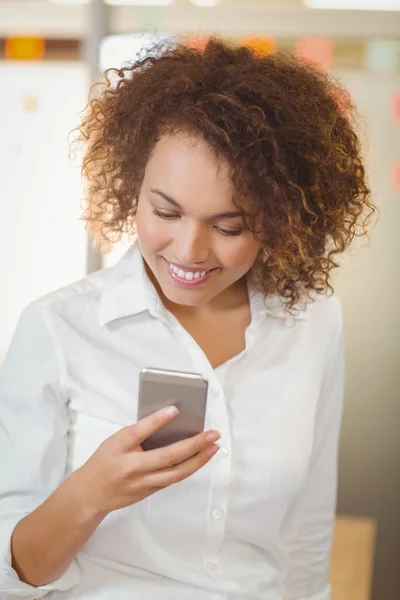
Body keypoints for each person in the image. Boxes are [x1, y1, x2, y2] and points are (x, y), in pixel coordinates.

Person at [0, 37, 375, 600]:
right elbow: (14, 576)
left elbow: (305, 530)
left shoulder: (313, 323)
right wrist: (92, 492)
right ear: (134, 187)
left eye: (229, 227)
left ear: (280, 218)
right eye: (165, 212)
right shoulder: (57, 330)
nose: (190, 251)